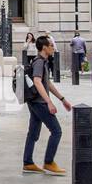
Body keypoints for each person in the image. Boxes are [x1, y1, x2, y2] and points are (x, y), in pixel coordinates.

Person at [22, 35, 72, 175]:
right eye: (50, 45)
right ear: (44, 47)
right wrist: (49, 102)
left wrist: (62, 99)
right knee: (56, 131)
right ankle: (49, 162)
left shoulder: (42, 61)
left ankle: (28, 162)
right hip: (39, 103)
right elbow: (37, 81)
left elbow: (47, 83)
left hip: (34, 102)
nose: (53, 47)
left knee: (33, 133)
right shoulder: (39, 62)